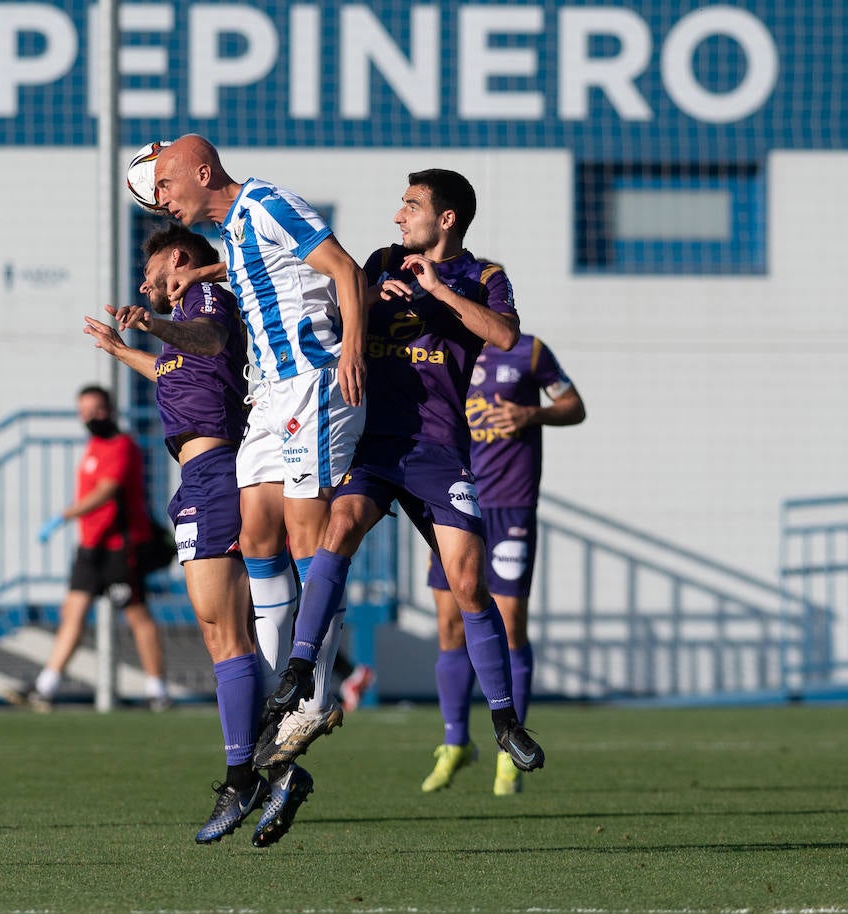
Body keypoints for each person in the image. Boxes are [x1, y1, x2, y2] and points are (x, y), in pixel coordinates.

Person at [260, 169, 546, 781]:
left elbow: (504, 335)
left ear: (445, 219)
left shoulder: (483, 276)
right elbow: (339, 312)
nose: (398, 216)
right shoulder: (384, 259)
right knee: (337, 527)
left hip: (440, 453)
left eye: (410, 205)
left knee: (468, 585)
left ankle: (502, 720)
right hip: (377, 444)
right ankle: (300, 668)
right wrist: (367, 298)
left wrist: (439, 291)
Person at [151, 134, 368, 843]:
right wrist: (205, 269)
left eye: (165, 184)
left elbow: (342, 268)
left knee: (307, 531)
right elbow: (250, 271)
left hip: (312, 379)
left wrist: (354, 349)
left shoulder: (268, 201)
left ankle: (311, 691)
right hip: (267, 396)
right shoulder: (235, 231)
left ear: (202, 171)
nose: (161, 199)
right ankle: (287, 700)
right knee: (256, 536)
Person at [83, 223, 272, 845]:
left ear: (180, 258)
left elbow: (210, 339)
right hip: (196, 478)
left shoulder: (205, 300)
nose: (145, 281)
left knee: (227, 632)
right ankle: (264, 772)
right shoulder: (179, 321)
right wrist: (122, 351)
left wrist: (152, 323)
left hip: (218, 471)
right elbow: (173, 367)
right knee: (220, 632)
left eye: (152, 267)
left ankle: (249, 775)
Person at [421, 334, 585, 795]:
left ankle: (508, 749)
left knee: (509, 622)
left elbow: (575, 405)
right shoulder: (439, 346)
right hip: (452, 501)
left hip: (510, 506)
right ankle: (455, 742)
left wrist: (532, 414)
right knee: (450, 624)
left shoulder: (528, 352)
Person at [8, 385, 171, 711]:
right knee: (73, 614)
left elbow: (106, 491)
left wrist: (63, 515)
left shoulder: (122, 446)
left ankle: (157, 691)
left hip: (120, 548)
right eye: (83, 413)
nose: (90, 418)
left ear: (109, 409)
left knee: (138, 616)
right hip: (90, 548)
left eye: (95, 410)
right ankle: (45, 688)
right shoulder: (94, 446)